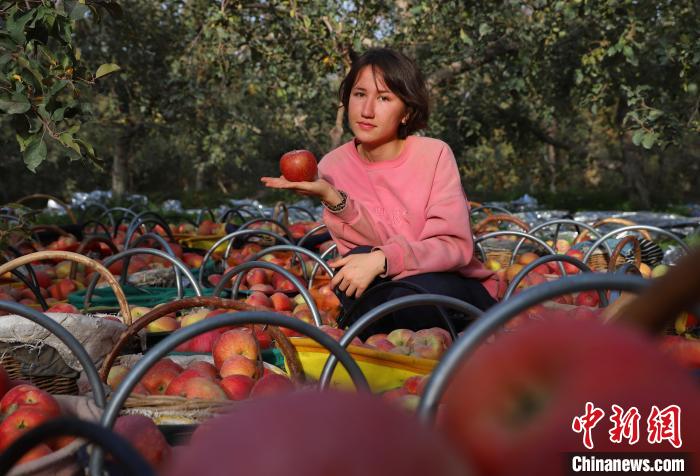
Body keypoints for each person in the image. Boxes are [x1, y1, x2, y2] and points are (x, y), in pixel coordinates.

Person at [262, 48, 497, 335]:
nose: (367, 110)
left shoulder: (433, 155)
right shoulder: (333, 166)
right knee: (353, 274)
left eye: (384, 98)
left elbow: (453, 247)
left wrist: (384, 259)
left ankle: (386, 335)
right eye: (360, 94)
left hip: (447, 285)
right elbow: (366, 253)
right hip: (389, 289)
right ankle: (388, 343)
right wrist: (333, 197)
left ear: (406, 112)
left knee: (406, 295)